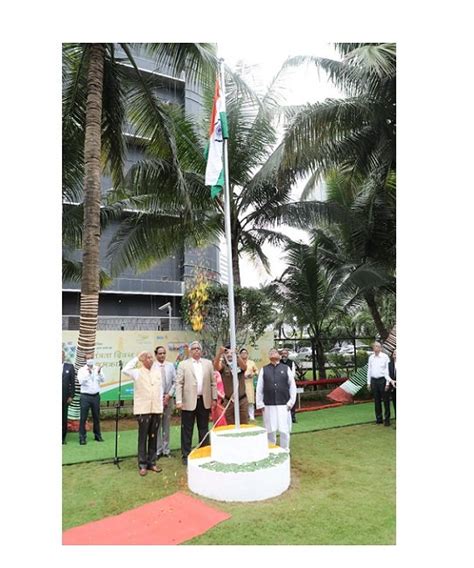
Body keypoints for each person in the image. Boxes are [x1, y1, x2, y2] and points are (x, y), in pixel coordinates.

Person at [175, 340, 217, 465]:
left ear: (201, 351)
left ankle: (204, 452)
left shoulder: (208, 364)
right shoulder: (183, 364)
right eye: (194, 348)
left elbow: (213, 382)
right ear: (190, 351)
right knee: (187, 429)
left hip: (204, 401)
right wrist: (178, 400)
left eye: (198, 348)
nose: (196, 350)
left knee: (203, 428)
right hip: (188, 402)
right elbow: (179, 383)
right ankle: (186, 455)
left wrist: (214, 398)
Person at [123, 351, 163, 476]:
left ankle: (152, 463)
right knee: (143, 437)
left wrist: (160, 406)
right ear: (143, 360)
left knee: (153, 437)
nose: (150, 359)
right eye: (147, 357)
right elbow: (125, 370)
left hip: (156, 408)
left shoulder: (157, 372)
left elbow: (160, 389)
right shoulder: (137, 372)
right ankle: (142, 464)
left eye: (151, 357)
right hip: (143, 410)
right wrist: (136, 358)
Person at [256, 348, 297, 450]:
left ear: (279, 355)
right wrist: (260, 403)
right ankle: (271, 450)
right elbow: (259, 388)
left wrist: (291, 402)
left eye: (274, 352)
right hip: (268, 405)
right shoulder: (264, 370)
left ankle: (285, 450)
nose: (272, 354)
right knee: (270, 430)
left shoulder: (286, 368)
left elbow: (292, 386)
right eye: (270, 352)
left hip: (284, 404)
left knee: (284, 429)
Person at [152, 345, 176, 459]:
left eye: (164, 353)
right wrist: (159, 397)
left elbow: (175, 381)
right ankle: (158, 450)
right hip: (156, 400)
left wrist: (168, 395)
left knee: (166, 425)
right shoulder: (152, 366)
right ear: (156, 355)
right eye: (160, 353)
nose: (162, 355)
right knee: (157, 425)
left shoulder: (170, 366)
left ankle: (166, 450)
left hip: (168, 398)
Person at [214, 345, 248, 425]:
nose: (229, 354)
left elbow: (244, 367)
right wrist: (219, 353)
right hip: (229, 400)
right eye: (227, 352)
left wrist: (236, 354)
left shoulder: (239, 363)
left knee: (244, 424)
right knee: (230, 424)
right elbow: (216, 366)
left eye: (230, 352)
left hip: (241, 400)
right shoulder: (224, 365)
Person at [78, 359, 105, 444]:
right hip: (85, 396)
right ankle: (82, 437)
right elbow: (81, 382)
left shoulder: (97, 368)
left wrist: (99, 372)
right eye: (88, 359)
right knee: (83, 418)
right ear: (86, 361)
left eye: (91, 359)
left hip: (96, 396)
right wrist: (88, 374)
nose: (90, 361)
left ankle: (97, 435)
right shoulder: (82, 370)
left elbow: (103, 380)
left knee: (96, 417)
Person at [367, 341, 391, 426]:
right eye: (375, 346)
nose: (376, 348)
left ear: (380, 348)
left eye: (378, 346)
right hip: (374, 380)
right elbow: (369, 370)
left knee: (386, 400)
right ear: (373, 348)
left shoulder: (385, 357)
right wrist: (369, 382)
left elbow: (387, 370)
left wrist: (388, 383)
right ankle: (379, 418)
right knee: (376, 401)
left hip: (383, 380)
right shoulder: (371, 358)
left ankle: (387, 419)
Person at [280, 348, 299, 423]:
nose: (284, 355)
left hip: (290, 383)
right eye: (283, 353)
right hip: (281, 383)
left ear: (287, 355)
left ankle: (293, 416)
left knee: (292, 399)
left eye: (285, 353)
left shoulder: (291, 362)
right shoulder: (279, 362)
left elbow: (293, 373)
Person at [239, 348, 258, 421]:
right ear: (240, 355)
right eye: (242, 353)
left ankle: (251, 416)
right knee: (242, 401)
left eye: (245, 353)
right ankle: (243, 416)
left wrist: (252, 374)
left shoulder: (251, 363)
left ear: (247, 354)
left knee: (250, 400)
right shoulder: (238, 362)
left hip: (249, 383)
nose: (244, 354)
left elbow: (257, 371)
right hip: (240, 384)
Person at [62, 350, 76, 444]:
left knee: (63, 418)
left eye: (61, 355)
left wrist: (71, 396)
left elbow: (72, 383)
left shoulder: (69, 367)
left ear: (64, 356)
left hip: (64, 397)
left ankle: (62, 438)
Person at [387, 349, 397, 418]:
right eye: (394, 353)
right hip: (393, 386)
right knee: (395, 403)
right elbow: (387, 374)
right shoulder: (389, 364)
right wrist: (391, 381)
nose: (395, 354)